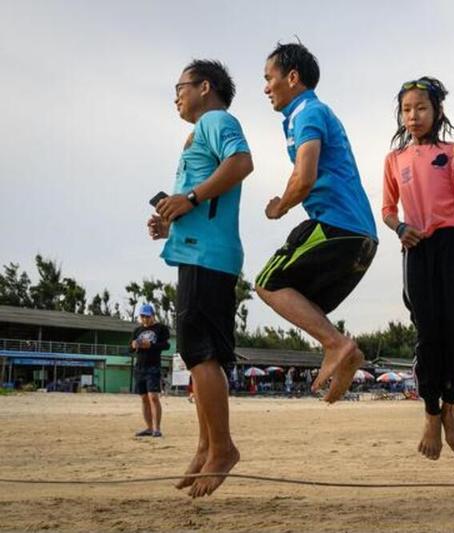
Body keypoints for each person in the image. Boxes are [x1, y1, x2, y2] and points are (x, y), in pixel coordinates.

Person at [148, 59, 253, 498]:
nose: (175, 97)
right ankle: (206, 446)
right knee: (196, 354)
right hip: (197, 253)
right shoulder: (201, 130)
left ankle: (222, 448)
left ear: (204, 86)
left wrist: (188, 197)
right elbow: (206, 201)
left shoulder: (216, 119)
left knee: (202, 354)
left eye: (179, 87)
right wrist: (172, 220)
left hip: (209, 258)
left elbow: (242, 163)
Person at [256, 42, 378, 403]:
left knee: (267, 283)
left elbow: (304, 175)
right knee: (302, 301)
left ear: (292, 78)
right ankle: (345, 354)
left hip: (337, 227)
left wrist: (280, 205)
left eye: (269, 78)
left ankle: (336, 344)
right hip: (362, 240)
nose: (265, 88)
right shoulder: (311, 113)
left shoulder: (307, 113)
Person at [382, 77, 454, 461]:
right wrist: (401, 228)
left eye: (421, 108)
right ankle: (430, 412)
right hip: (417, 246)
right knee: (427, 331)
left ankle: (451, 406)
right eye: (407, 109)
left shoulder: (453, 151)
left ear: (436, 111)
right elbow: (388, 212)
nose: (414, 116)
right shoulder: (394, 160)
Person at [131, 303, 170, 437]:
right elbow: (131, 348)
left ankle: (157, 428)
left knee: (153, 397)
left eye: (147, 316)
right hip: (139, 367)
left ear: (153, 315)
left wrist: (151, 345)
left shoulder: (161, 328)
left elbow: (166, 345)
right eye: (142, 316)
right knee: (144, 398)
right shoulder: (137, 331)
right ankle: (148, 428)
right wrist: (133, 345)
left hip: (153, 366)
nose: (145, 319)